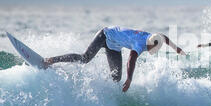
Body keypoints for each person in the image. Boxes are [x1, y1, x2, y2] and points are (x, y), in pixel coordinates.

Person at [44, 27, 186, 92]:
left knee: (116, 78)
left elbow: (164, 37)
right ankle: (52, 60)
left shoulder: (154, 37)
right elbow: (131, 60)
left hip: (114, 45)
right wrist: (129, 79)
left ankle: (99, 89)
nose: (150, 51)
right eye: (150, 49)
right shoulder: (140, 44)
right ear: (148, 44)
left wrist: (176, 48)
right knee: (85, 58)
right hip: (105, 35)